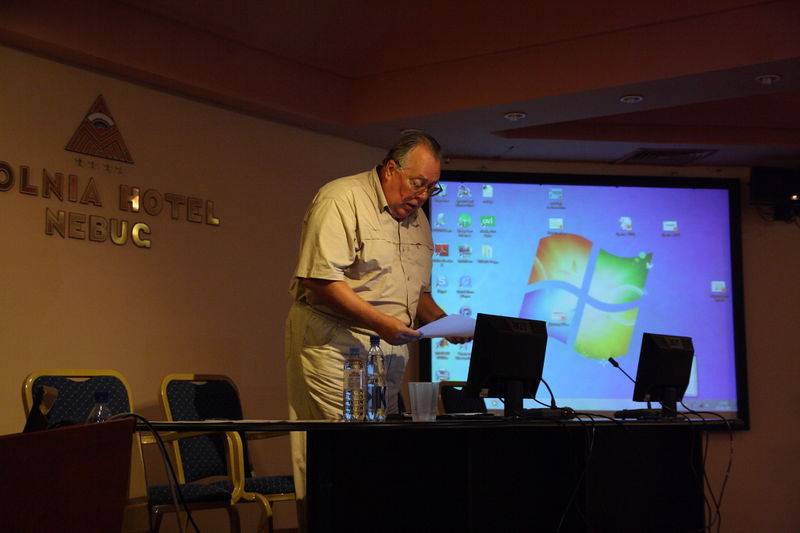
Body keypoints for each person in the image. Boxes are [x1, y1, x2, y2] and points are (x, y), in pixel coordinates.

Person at [284, 132, 457, 510]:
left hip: (387, 354)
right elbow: (319, 279)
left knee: (378, 459)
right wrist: (381, 323)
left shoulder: (418, 221)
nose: (423, 196)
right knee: (345, 455)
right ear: (391, 169)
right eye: (417, 183)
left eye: (432, 188)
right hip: (335, 349)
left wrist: (448, 324)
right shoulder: (341, 198)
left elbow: (417, 295)